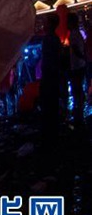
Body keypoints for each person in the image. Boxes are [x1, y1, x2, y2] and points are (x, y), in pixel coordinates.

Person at [40, 14, 62, 147]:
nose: (43, 24)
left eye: (45, 22)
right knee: (51, 105)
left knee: (48, 105)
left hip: (49, 76)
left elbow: (50, 61)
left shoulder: (49, 39)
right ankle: (53, 132)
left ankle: (49, 135)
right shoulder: (55, 39)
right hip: (52, 76)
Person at [67, 13, 87, 127]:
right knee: (78, 87)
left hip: (77, 65)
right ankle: (79, 108)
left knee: (77, 88)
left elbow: (76, 49)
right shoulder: (78, 33)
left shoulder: (74, 34)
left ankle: (78, 111)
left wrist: (82, 57)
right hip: (80, 64)